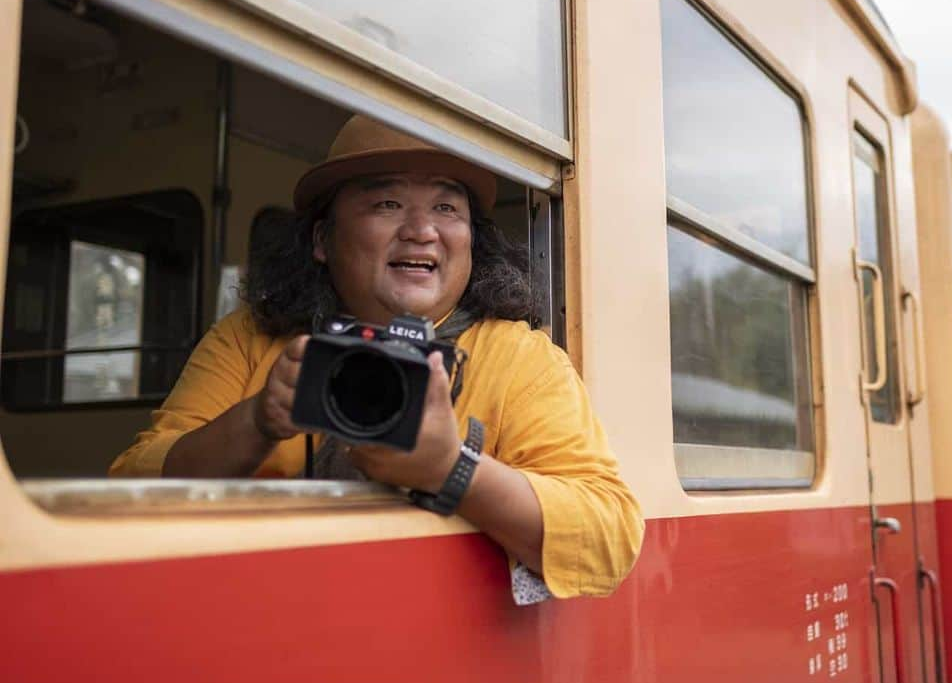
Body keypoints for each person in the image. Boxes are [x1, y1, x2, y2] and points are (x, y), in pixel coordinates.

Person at [110, 116, 643, 600]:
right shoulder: (249, 338)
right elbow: (126, 490)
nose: (422, 229)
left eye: (446, 207)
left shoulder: (520, 356)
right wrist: (255, 421)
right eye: (387, 204)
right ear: (322, 238)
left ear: (470, 240)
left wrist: (452, 470)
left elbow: (609, 538)